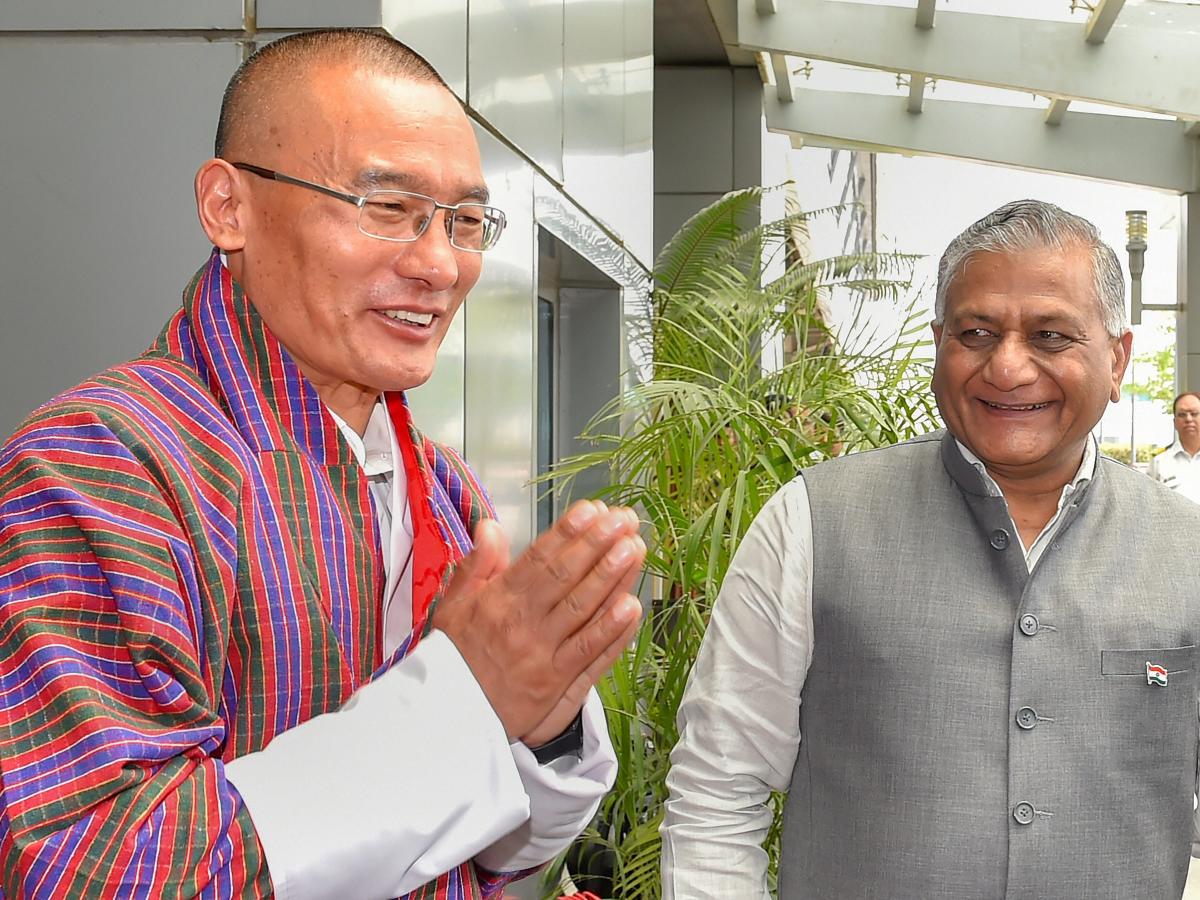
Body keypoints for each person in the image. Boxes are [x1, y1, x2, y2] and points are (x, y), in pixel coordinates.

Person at [0, 29, 646, 900]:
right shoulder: (102, 465)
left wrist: (545, 715)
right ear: (228, 205)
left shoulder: (438, 485)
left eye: (463, 221)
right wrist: (466, 700)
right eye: (386, 206)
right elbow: (95, 866)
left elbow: (500, 851)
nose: (438, 265)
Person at [661, 199, 1200, 899]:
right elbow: (717, 787)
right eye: (976, 332)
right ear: (939, 342)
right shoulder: (811, 523)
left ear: (1117, 355)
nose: (1007, 367)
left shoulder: (1186, 551)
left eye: (1050, 335)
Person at [1149, 391, 1200, 503]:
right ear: (1175, 422)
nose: (1188, 419)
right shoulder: (1159, 463)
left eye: (1194, 413)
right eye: (1182, 414)